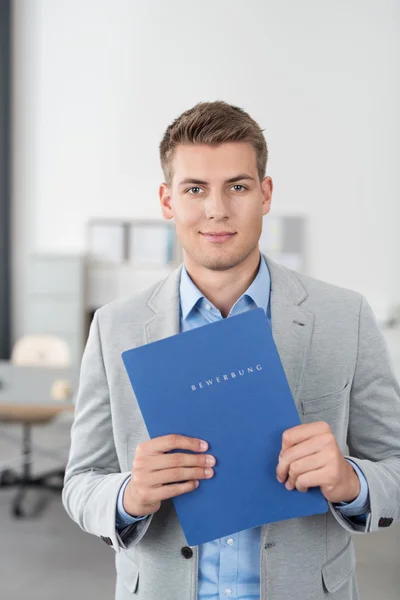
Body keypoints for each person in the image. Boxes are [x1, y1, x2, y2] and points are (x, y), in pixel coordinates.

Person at [62, 101, 400, 600]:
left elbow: (393, 464)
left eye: (237, 187)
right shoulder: (115, 326)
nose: (216, 209)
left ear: (265, 194)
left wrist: (350, 479)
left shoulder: (343, 316)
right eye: (194, 188)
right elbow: (80, 482)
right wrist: (129, 495)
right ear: (167, 200)